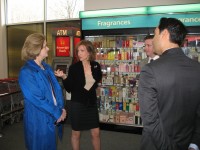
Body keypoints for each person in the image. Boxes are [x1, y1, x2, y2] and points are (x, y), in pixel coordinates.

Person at [138, 17, 200, 150]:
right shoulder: (197, 68)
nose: (153, 40)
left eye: (155, 34)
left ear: (164, 34)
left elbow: (150, 121)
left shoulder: (150, 70)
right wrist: (194, 144)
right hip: (187, 143)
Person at [18, 33, 67, 150]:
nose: (48, 48)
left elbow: (56, 90)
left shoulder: (47, 67)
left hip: (52, 116)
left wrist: (61, 108)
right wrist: (57, 112)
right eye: (45, 46)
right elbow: (37, 100)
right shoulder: (26, 72)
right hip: (38, 119)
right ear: (36, 49)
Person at [55, 40, 102, 150]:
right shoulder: (74, 68)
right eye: (78, 51)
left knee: (96, 133)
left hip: (91, 104)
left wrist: (88, 69)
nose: (79, 53)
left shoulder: (96, 66)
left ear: (89, 52)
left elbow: (93, 83)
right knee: (76, 134)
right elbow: (70, 88)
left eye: (82, 50)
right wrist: (64, 77)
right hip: (77, 104)